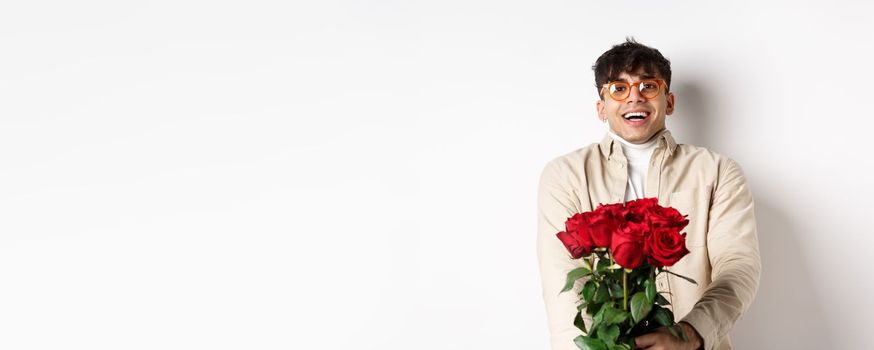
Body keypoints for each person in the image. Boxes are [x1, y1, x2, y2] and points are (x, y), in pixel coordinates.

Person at [536, 38, 761, 350]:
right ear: (602, 107)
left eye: (648, 86)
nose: (634, 98)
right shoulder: (565, 175)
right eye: (619, 88)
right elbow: (565, 280)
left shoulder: (718, 171)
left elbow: (738, 267)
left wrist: (691, 333)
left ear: (668, 101)